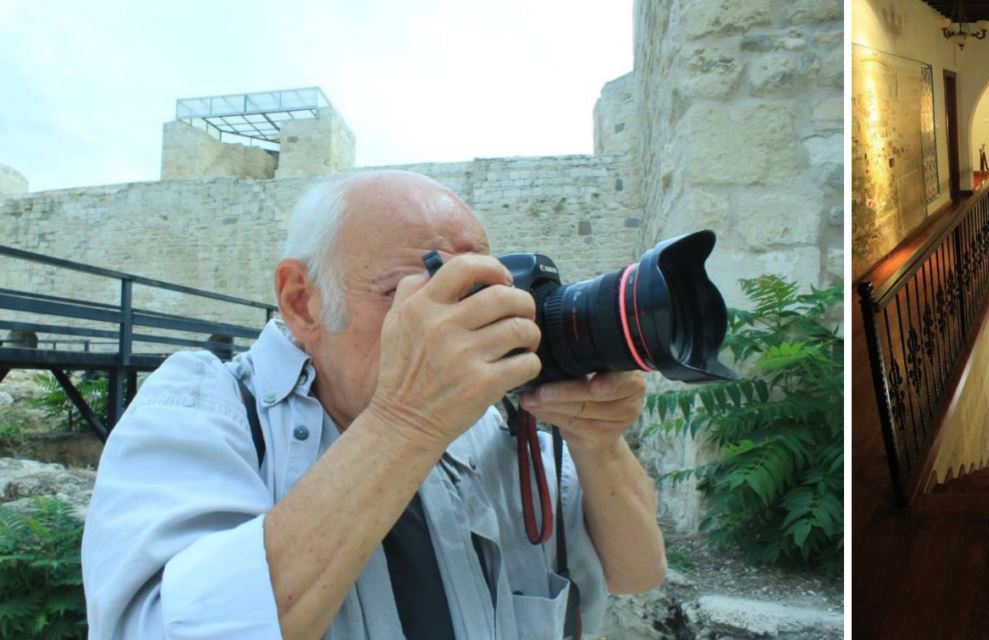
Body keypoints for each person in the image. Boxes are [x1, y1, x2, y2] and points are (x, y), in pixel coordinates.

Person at [81, 170, 667, 638]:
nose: (459, 318)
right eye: (415, 289)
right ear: (303, 303)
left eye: (479, 289)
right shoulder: (202, 409)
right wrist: (408, 420)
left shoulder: (490, 429)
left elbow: (635, 572)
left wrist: (598, 440)